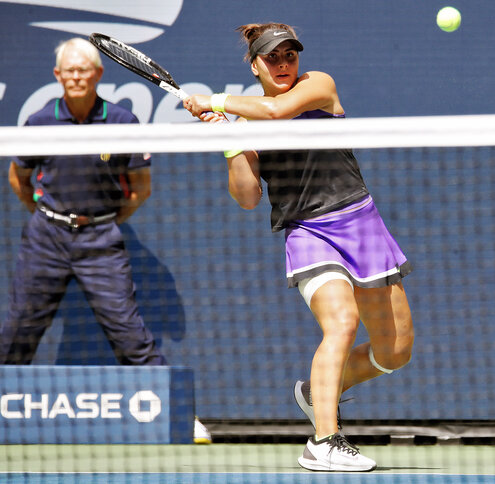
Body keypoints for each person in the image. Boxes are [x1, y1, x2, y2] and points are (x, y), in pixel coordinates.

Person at [183, 23, 414, 471]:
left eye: (290, 54)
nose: (284, 63)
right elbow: (249, 197)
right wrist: (230, 143)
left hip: (361, 223)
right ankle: (324, 441)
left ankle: (317, 392)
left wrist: (213, 101)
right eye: (273, 57)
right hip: (308, 231)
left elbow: (277, 112)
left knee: (395, 351)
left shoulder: (318, 85)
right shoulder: (248, 123)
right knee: (342, 322)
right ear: (255, 65)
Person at [0, 37, 211, 444]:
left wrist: (102, 220)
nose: (77, 76)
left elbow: (140, 188)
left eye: (85, 70)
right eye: (70, 70)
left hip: (100, 238)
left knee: (130, 332)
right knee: (19, 330)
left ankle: (181, 417)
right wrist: (51, 217)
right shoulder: (40, 122)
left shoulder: (121, 122)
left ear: (98, 74)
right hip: (46, 238)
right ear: (58, 75)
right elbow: (18, 178)